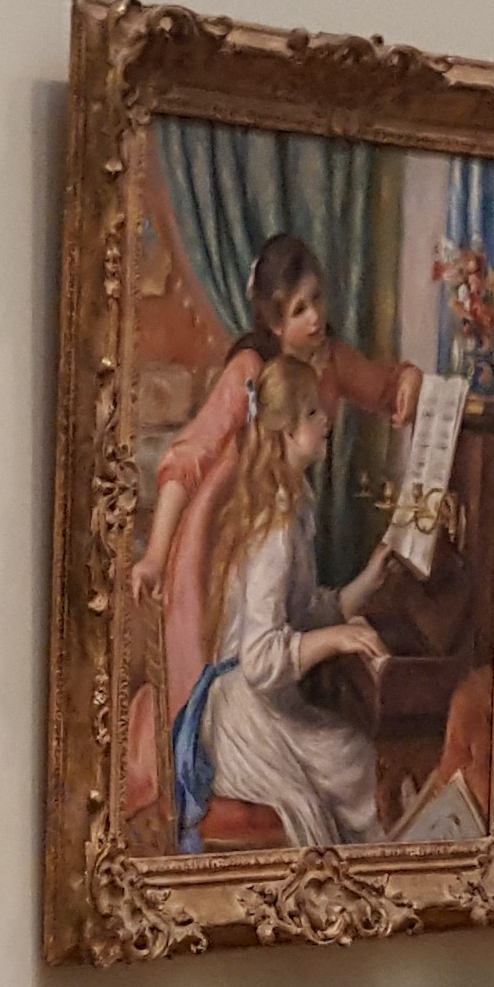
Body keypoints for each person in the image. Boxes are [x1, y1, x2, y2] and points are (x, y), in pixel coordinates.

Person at [116, 234, 419, 830]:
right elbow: (188, 456)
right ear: (274, 322)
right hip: (221, 537)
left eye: (317, 301)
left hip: (269, 532)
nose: (315, 319)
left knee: (345, 750)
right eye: (298, 310)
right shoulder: (254, 378)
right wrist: (156, 555)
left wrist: (407, 381)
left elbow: (384, 388)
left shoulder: (300, 492)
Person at [170, 354, 404, 849]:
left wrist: (368, 579)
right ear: (288, 433)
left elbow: (301, 613)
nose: (327, 420)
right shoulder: (275, 529)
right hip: (243, 719)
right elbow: (259, 659)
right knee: (357, 762)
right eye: (314, 412)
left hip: (264, 704)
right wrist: (337, 639)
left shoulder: (293, 505)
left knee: (356, 758)